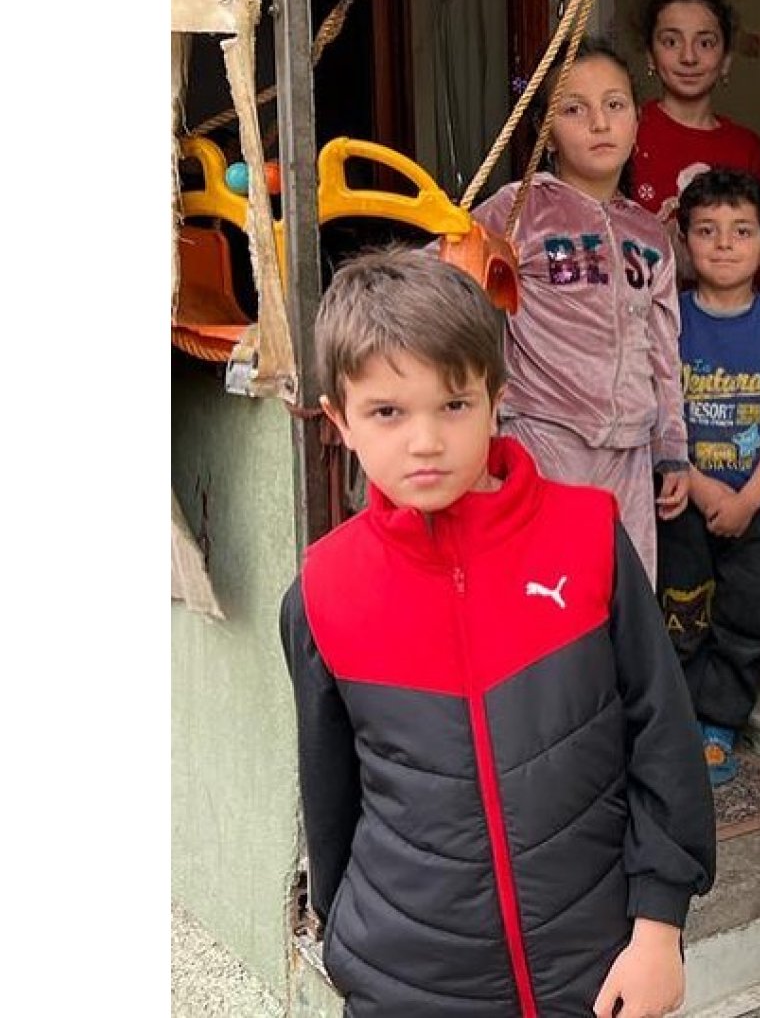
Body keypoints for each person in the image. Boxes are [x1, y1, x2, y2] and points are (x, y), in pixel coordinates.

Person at [279, 249, 715, 1017]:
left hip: (594, 967)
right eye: (387, 412)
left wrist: (658, 931)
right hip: (409, 982)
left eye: (454, 404)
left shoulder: (587, 538)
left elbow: (662, 737)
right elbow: (331, 800)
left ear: (495, 400)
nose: (425, 440)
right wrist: (352, 946)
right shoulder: (323, 591)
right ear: (339, 419)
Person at [469, 35, 689, 583]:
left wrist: (672, 449)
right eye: (574, 109)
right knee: (547, 592)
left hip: (631, 452)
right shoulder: (518, 211)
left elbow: (664, 350)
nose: (599, 123)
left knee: (624, 593)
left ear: (636, 120)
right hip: (544, 440)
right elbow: (443, 282)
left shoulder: (649, 235)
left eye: (615, 105)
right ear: (546, 132)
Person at [655, 168, 760, 786]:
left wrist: (748, 498)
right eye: (706, 230)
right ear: (684, 240)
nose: (723, 244)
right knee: (682, 613)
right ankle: (677, 718)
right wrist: (700, 485)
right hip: (682, 500)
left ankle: (719, 724)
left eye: (741, 231)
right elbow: (655, 411)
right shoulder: (670, 321)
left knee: (747, 619)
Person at [629, 0, 760, 292]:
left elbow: (754, 269)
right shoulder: (625, 130)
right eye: (671, 41)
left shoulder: (748, 149)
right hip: (632, 316)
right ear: (650, 55)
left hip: (720, 318)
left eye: (705, 43)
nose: (689, 57)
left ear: (726, 60)